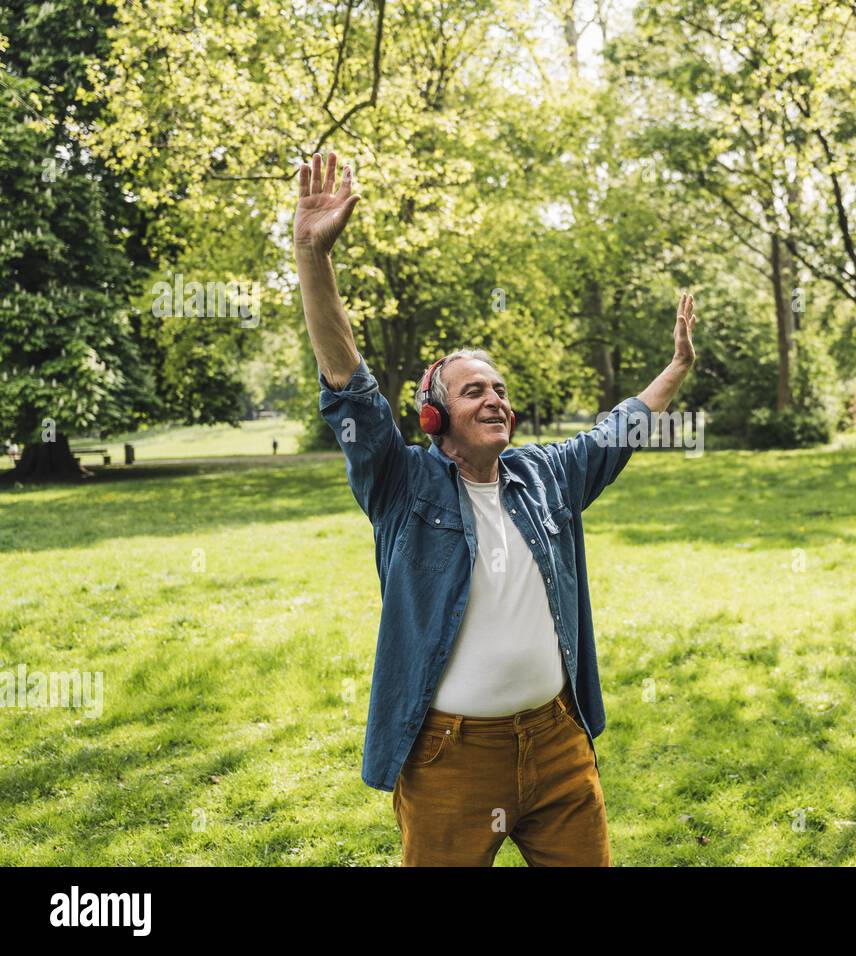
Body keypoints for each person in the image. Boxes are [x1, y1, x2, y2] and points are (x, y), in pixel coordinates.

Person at [293, 151, 697, 866]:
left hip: (557, 743)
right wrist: (312, 258)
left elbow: (616, 431)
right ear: (432, 415)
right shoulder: (401, 485)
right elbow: (348, 384)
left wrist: (674, 371)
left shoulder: (545, 475)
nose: (495, 398)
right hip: (451, 760)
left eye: (500, 388)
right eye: (474, 389)